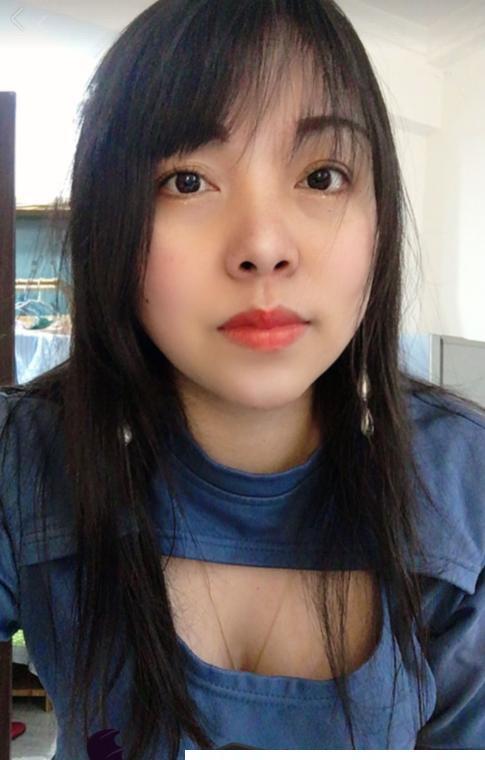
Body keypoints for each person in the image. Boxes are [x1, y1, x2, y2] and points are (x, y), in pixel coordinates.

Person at [1, 0, 484, 758]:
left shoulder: (463, 481)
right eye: (187, 181)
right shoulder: (24, 459)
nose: (263, 245)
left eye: (321, 175)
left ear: (380, 216)